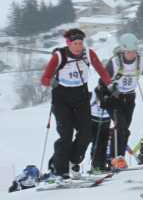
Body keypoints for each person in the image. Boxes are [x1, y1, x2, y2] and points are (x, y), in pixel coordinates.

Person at [40, 28, 113, 179]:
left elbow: (101, 69)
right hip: (62, 98)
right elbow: (44, 78)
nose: (78, 47)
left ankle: (73, 161)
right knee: (66, 135)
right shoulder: (59, 55)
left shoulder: (88, 54)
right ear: (68, 44)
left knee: (86, 134)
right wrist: (51, 82)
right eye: (75, 44)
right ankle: (59, 170)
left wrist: (110, 84)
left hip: (81, 96)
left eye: (80, 43)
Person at [103, 33, 143, 169]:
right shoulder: (115, 62)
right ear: (123, 50)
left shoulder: (140, 61)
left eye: (134, 51)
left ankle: (116, 157)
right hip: (114, 99)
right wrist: (109, 92)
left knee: (125, 129)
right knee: (120, 126)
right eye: (129, 52)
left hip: (129, 98)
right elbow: (104, 80)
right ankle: (116, 157)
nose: (132, 54)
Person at [89, 83, 113, 172]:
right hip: (95, 120)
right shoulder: (94, 94)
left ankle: (102, 164)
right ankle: (95, 165)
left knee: (104, 143)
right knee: (96, 143)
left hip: (106, 120)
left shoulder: (110, 92)